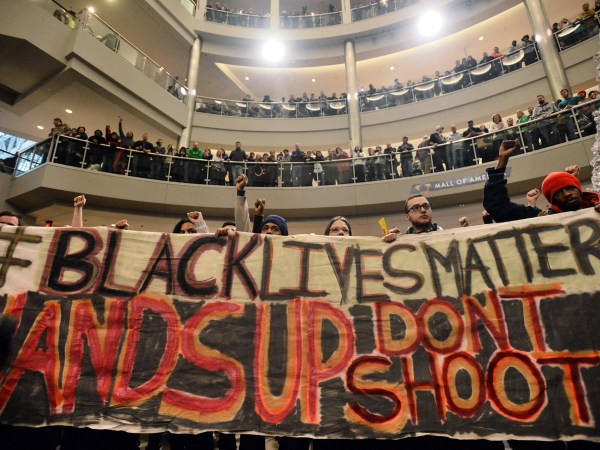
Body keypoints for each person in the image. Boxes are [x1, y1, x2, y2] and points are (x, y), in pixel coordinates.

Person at [483, 140, 600, 223]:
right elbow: (497, 207)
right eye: (558, 193)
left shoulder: (597, 206)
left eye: (570, 188)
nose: (566, 194)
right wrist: (503, 159)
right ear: (551, 200)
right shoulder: (541, 218)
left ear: (579, 190)